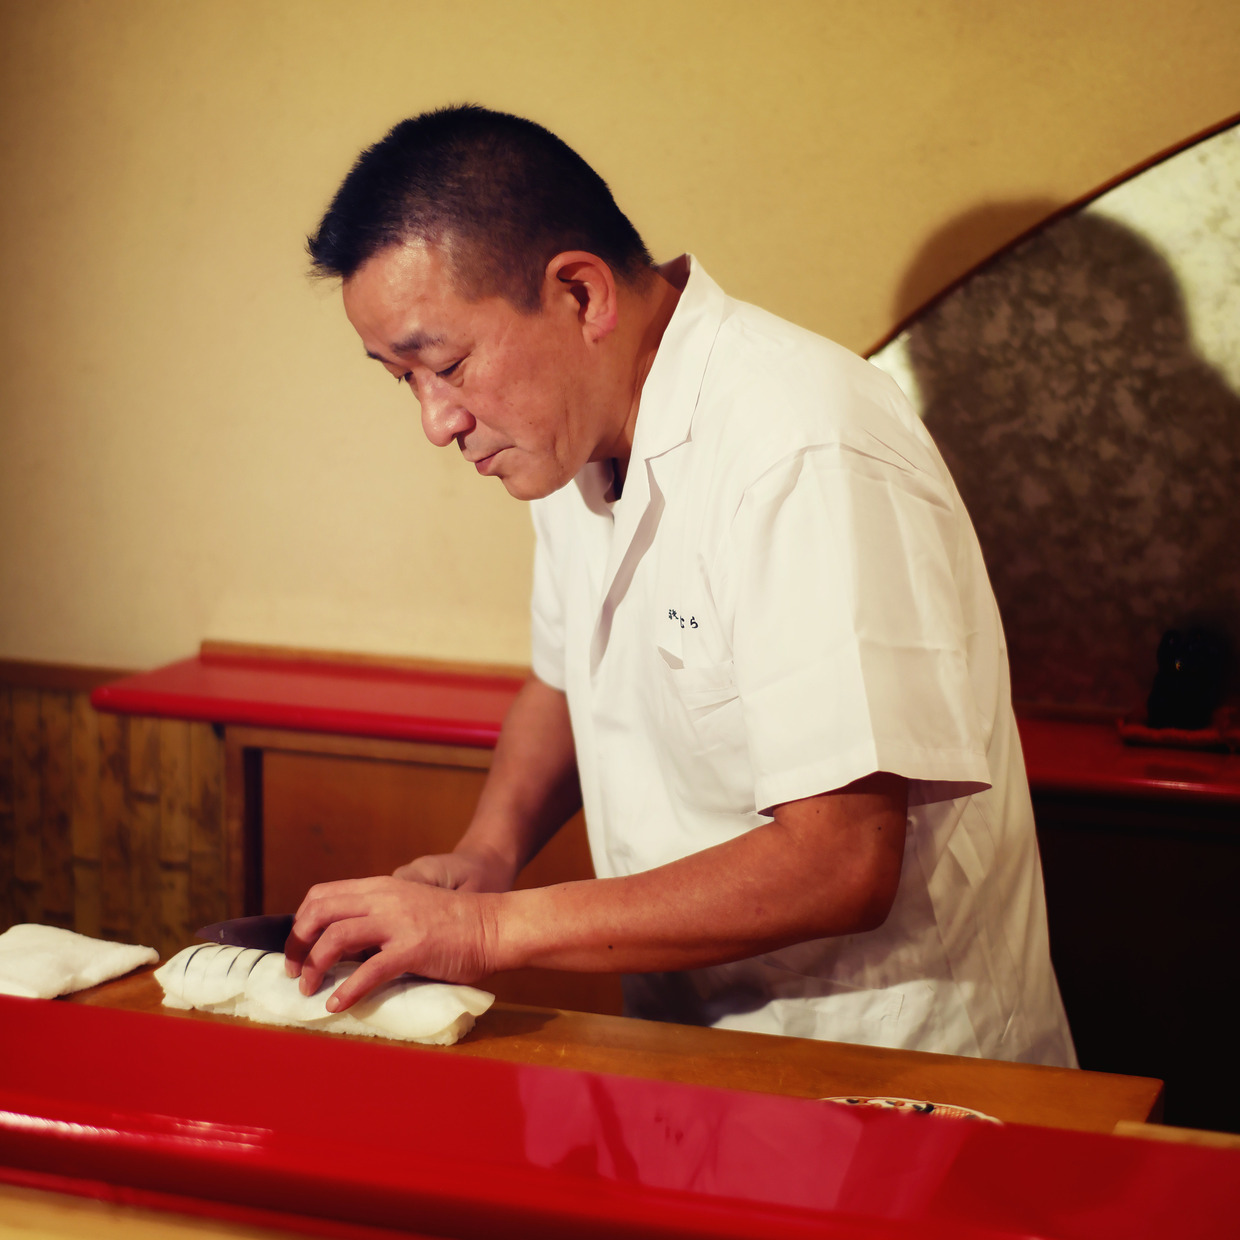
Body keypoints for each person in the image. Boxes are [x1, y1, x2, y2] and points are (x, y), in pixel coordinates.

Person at [286, 104, 1076, 1066]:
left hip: (894, 1060)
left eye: (445, 364)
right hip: (687, 1042)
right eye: (399, 378)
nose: (436, 421)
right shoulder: (564, 431)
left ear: (580, 294)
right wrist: (488, 856)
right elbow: (565, 677)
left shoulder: (801, 441)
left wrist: (491, 933)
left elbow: (841, 860)